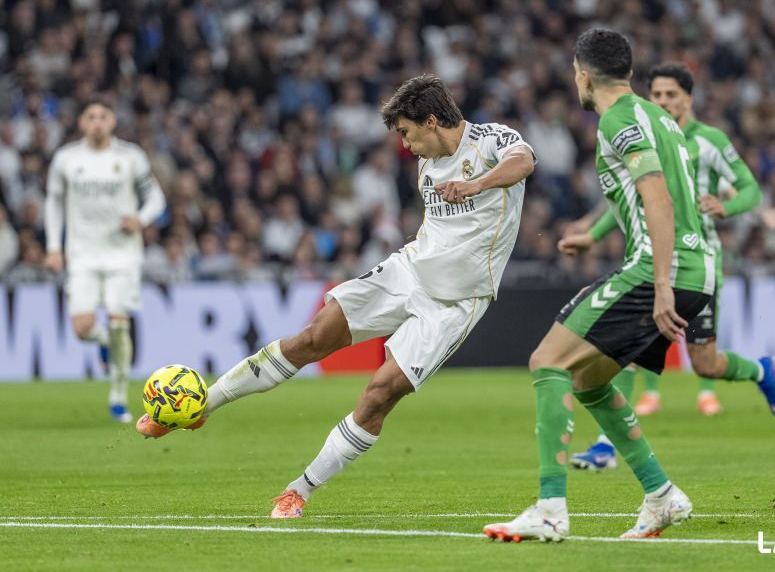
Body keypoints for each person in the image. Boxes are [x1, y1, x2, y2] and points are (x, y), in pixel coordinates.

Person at [135, 74, 537, 519]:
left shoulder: (492, 140)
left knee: (379, 394)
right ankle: (199, 407)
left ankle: (298, 490)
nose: (405, 144)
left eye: (406, 132)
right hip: (408, 272)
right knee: (311, 338)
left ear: (430, 120)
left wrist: (477, 185)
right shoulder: (425, 162)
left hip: (455, 303)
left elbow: (524, 162)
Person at [484, 28, 775, 543]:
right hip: (700, 267)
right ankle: (661, 495)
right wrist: (596, 232)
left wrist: (662, 282)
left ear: (582, 74)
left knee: (547, 361)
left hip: (659, 269)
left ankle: (551, 508)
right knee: (590, 381)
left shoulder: (619, 119)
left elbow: (657, 198)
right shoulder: (660, 118)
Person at [564, 63, 775, 472]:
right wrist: (593, 236)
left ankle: (760, 370)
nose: (663, 101)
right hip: (652, 261)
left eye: (671, 95)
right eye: (657, 95)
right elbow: (639, 198)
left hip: (697, 265)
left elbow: (751, 189)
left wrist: (727, 205)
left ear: (688, 98)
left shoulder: (709, 141)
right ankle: (605, 445)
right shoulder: (645, 134)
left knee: (706, 363)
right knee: (624, 352)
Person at [44, 99, 166, 422]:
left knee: (117, 319)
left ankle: (118, 396)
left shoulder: (130, 157)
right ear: (82, 123)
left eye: (103, 116)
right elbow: (54, 204)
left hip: (123, 254)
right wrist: (54, 247)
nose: (97, 122)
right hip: (82, 255)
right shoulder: (67, 159)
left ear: (113, 121)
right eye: (90, 116)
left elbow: (156, 197)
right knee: (83, 328)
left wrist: (140, 219)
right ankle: (103, 344)